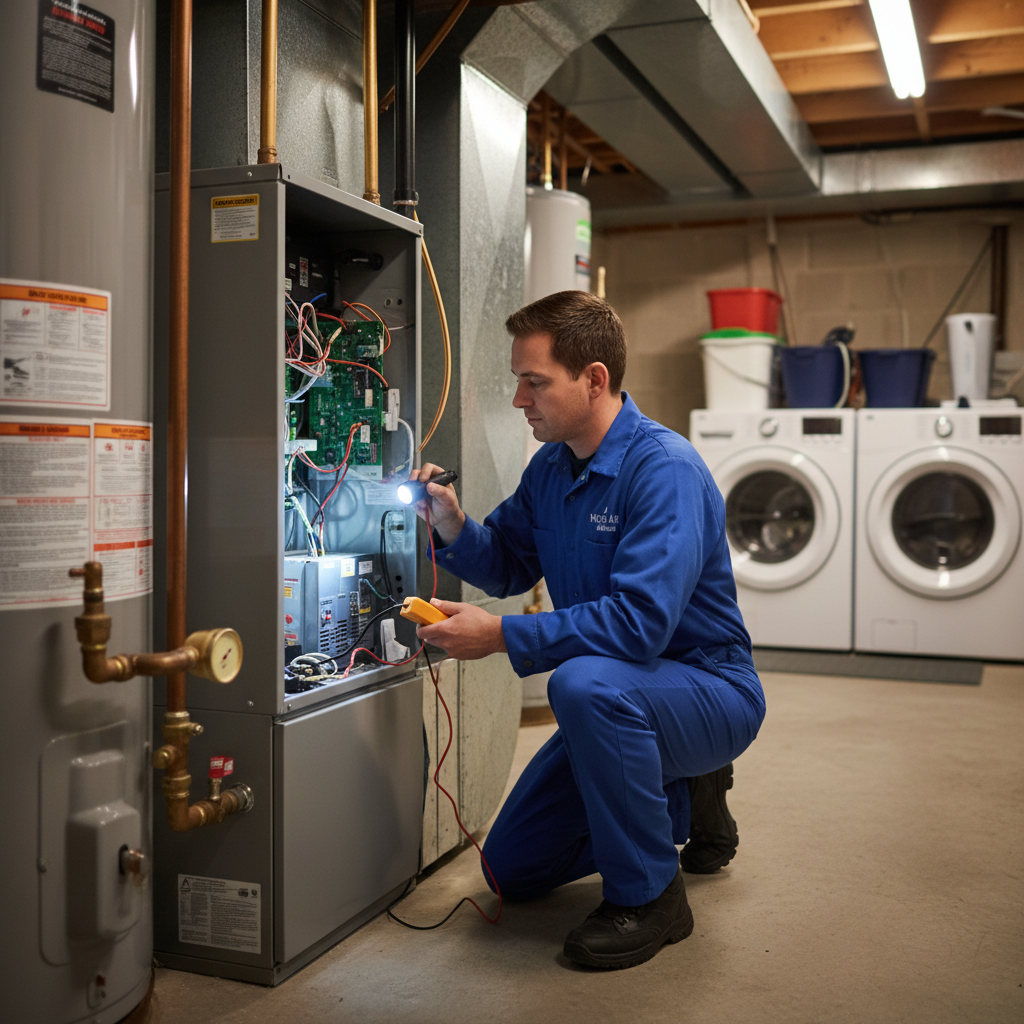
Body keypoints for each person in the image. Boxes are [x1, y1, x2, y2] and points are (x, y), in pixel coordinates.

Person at [407, 290, 765, 970]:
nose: (520, 399)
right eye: (519, 381)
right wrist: (450, 524)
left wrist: (501, 637)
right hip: (623, 694)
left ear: (594, 379)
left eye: (534, 382)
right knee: (511, 869)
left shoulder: (664, 470)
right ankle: (685, 793)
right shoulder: (553, 466)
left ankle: (652, 896)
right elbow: (508, 562)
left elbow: (640, 625)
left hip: (707, 688)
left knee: (582, 684)